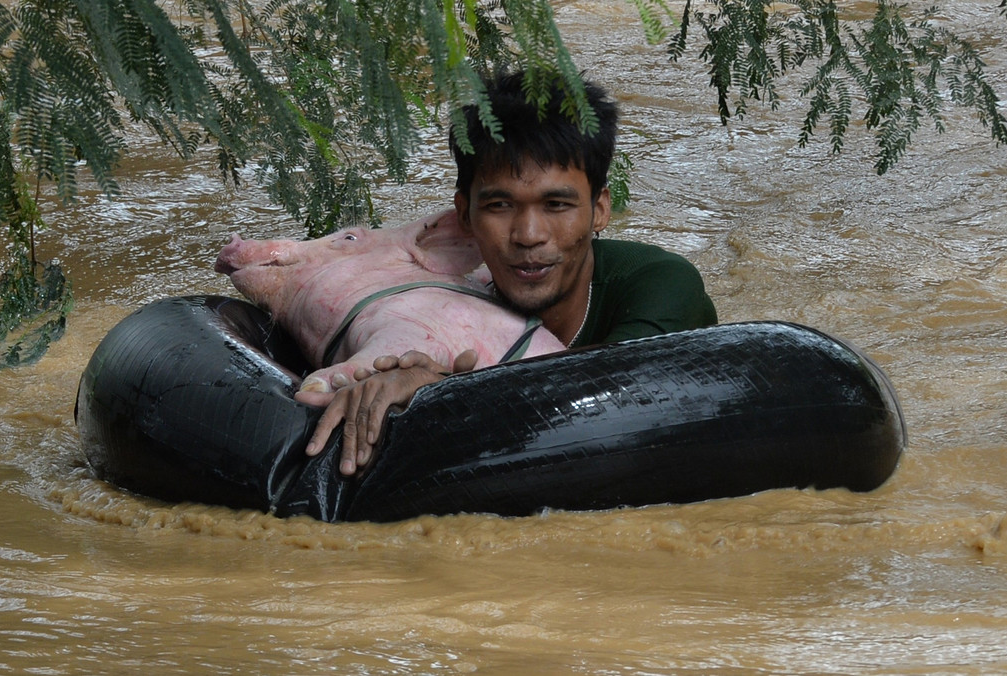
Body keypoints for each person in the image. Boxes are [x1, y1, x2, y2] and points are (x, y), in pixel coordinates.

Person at [302, 70, 718, 476]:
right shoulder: (461, 305)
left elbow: (604, 393)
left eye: (557, 205)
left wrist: (439, 388)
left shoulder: (661, 283)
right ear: (464, 214)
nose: (528, 236)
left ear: (601, 209)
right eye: (500, 206)